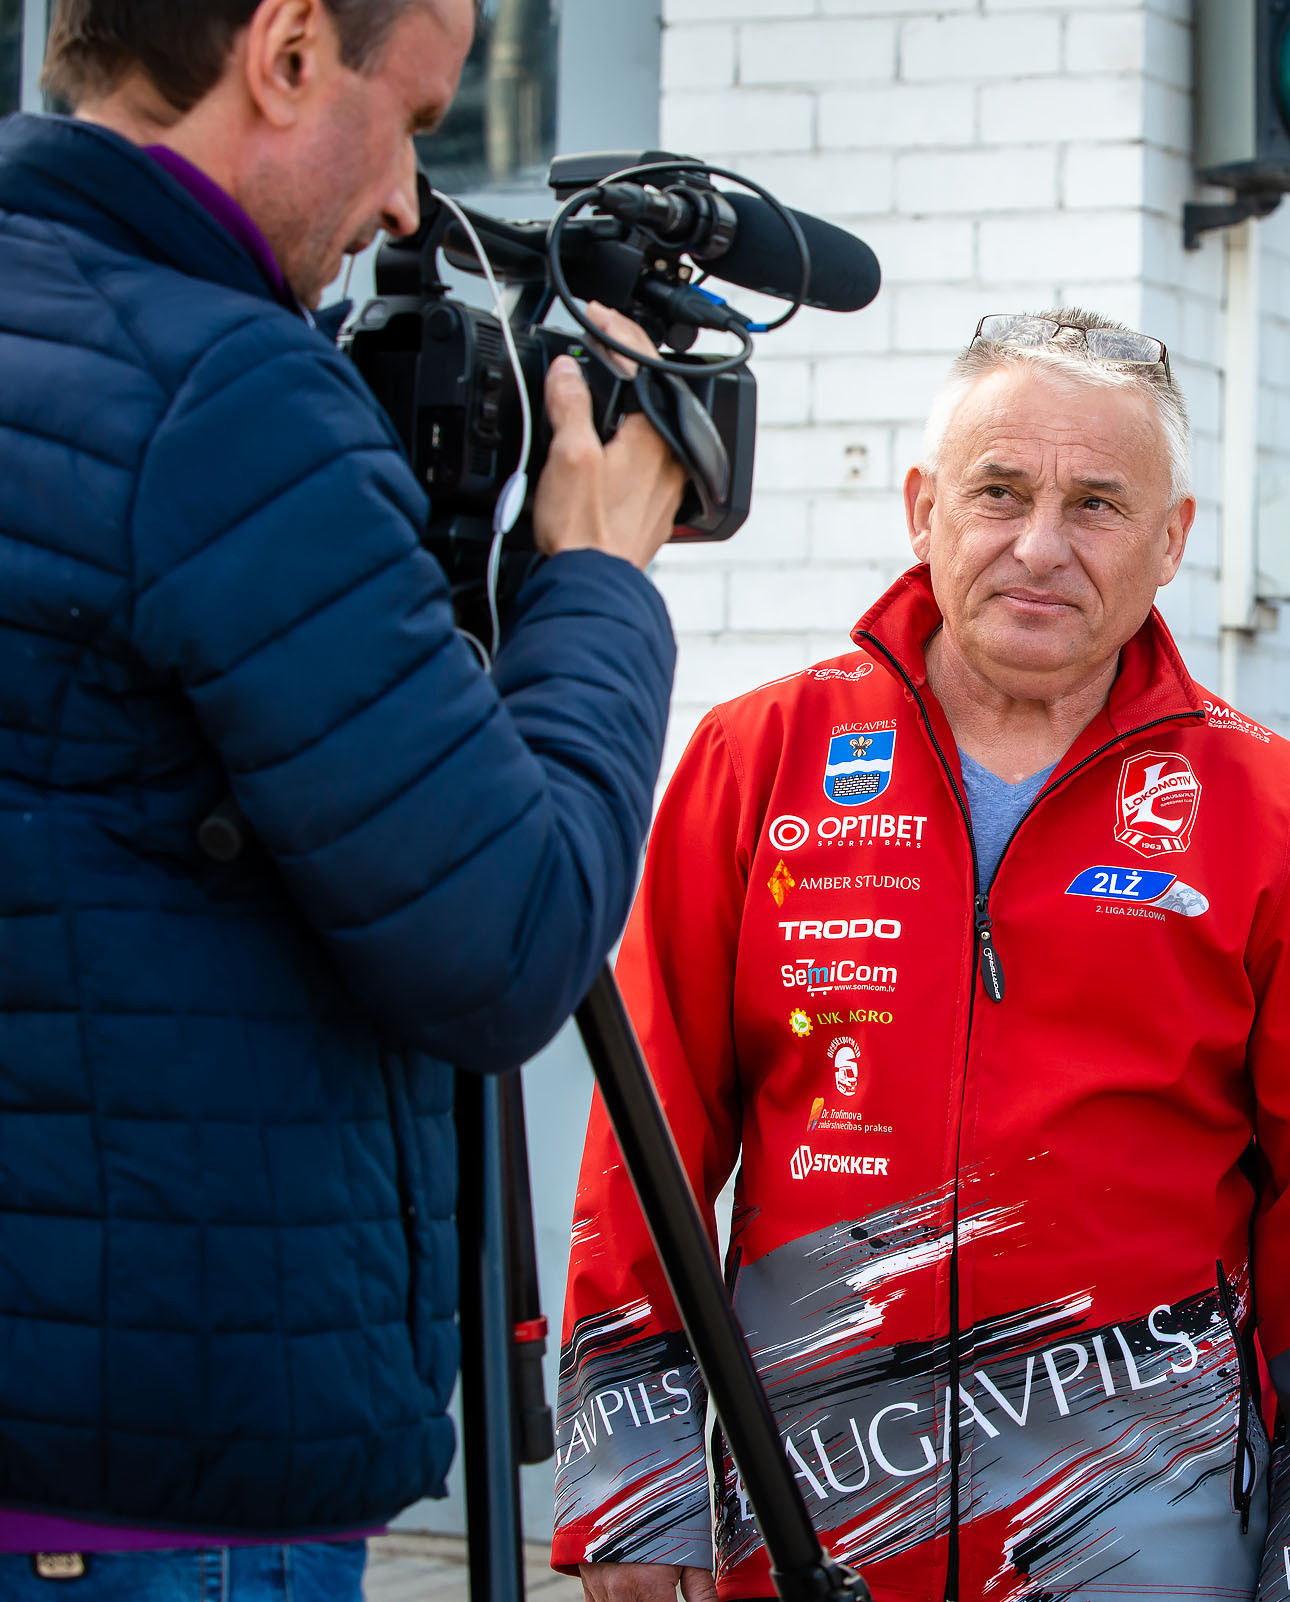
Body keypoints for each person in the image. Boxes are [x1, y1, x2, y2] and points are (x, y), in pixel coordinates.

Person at [552, 310, 1290, 1602]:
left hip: (1144, 1538)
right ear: (923, 508)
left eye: (1097, 504)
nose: (1040, 546)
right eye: (999, 491)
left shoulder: (1271, 806)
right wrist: (631, 1491)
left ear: (1173, 539)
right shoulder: (757, 758)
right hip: (810, 1523)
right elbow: (647, 1138)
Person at [0, 0, 687, 1592]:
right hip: (157, 1486)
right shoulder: (229, 402)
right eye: (417, 120)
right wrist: (597, 582)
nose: (403, 203)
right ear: (291, 49)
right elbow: (504, 937)